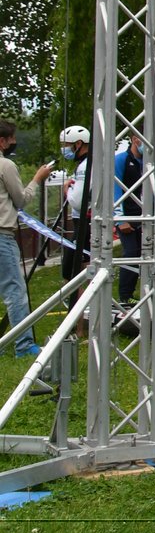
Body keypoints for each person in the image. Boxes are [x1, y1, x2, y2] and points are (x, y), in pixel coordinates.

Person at [0, 120, 51, 356]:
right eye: (12, 140)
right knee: (15, 291)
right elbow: (21, 199)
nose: (13, 144)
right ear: (2, 141)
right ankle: (24, 345)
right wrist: (37, 179)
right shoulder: (6, 165)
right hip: (2, 236)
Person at [112, 134, 146, 305]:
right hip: (125, 216)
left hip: (144, 216)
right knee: (131, 253)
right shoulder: (121, 160)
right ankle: (124, 296)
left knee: (145, 254)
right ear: (135, 139)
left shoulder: (148, 163)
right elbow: (114, 190)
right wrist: (120, 220)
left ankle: (140, 292)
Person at [58, 124, 92, 288]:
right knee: (77, 266)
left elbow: (78, 201)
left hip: (84, 222)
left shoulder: (85, 166)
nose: (64, 149)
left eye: (65, 145)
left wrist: (67, 190)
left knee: (72, 270)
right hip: (84, 222)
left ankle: (79, 310)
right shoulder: (88, 163)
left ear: (78, 144)